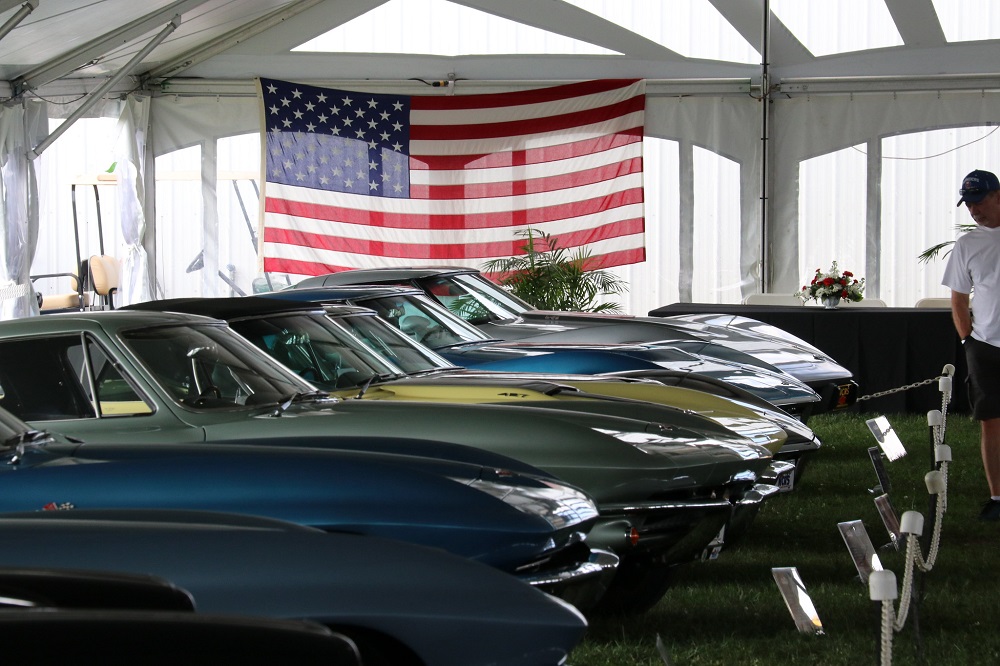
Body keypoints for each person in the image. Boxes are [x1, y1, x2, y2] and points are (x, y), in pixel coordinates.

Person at [943, 169, 1000, 521]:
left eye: (979, 201)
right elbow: (959, 299)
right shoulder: (968, 244)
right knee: (991, 422)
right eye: (969, 204)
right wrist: (968, 340)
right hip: (985, 346)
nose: (974, 210)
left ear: (998, 196)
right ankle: (997, 497)